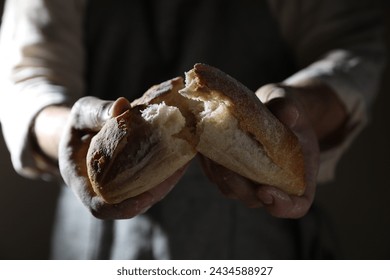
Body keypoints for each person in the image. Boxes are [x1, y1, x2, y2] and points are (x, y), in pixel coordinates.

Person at [0, 0, 385, 259]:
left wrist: (298, 111)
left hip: (259, 244)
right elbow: (28, 75)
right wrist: (68, 129)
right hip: (96, 245)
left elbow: (354, 43)